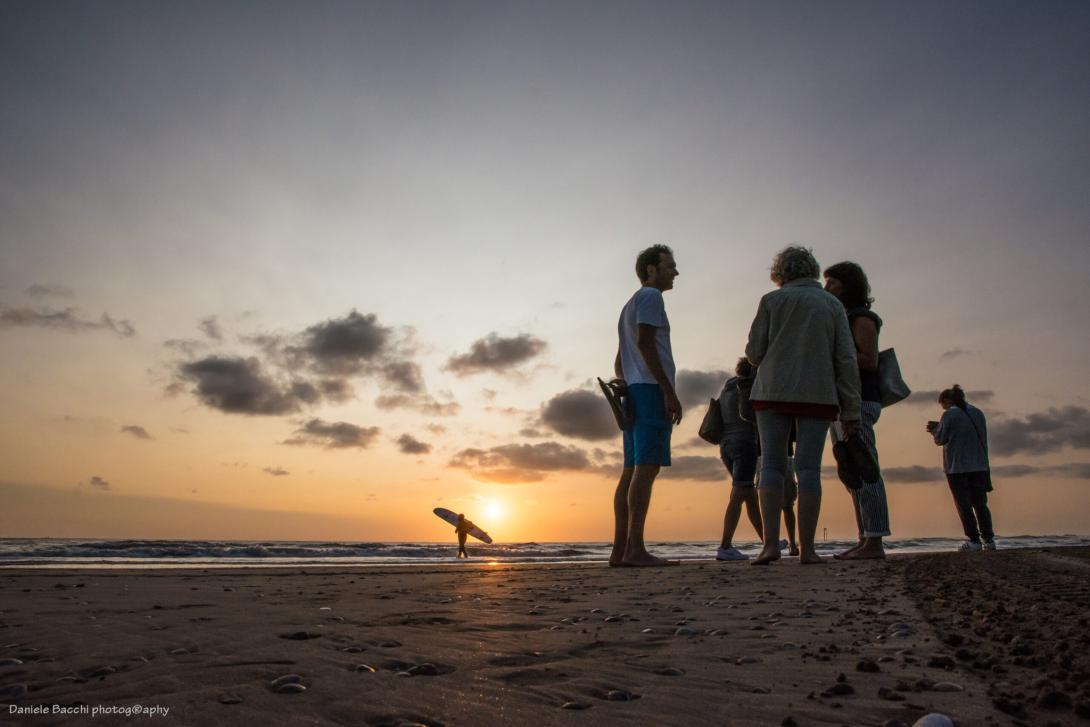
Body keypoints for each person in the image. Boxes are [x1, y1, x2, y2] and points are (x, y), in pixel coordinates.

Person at [746, 246, 862, 565]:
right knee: (809, 469)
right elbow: (846, 358)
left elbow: (755, 352)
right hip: (818, 393)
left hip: (772, 390)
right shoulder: (831, 304)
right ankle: (808, 549)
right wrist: (851, 409)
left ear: (780, 272)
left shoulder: (771, 301)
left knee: (771, 464)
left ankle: (770, 545)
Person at [610, 244, 682, 567]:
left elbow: (619, 359)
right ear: (651, 269)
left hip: (636, 390)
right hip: (651, 390)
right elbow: (644, 342)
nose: (675, 272)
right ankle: (635, 548)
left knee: (630, 471)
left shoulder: (629, 305)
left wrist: (625, 381)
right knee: (646, 469)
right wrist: (668, 391)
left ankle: (620, 550)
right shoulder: (651, 297)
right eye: (670, 266)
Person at [823, 261, 891, 560]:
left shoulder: (862, 317)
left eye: (833, 283)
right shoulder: (841, 318)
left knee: (866, 469)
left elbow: (870, 359)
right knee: (851, 472)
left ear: (847, 285)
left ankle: (875, 541)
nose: (827, 288)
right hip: (840, 401)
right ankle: (864, 537)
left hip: (860, 399)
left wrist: (835, 357)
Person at [927, 385, 995, 551]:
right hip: (979, 465)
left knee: (963, 505)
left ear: (947, 401)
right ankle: (989, 539)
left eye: (943, 404)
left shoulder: (949, 414)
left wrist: (934, 430)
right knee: (980, 504)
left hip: (957, 467)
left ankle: (974, 540)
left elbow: (940, 439)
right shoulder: (978, 412)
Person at [715, 358, 763, 561]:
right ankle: (725, 546)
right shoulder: (748, 387)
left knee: (749, 496)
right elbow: (751, 415)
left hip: (726, 446)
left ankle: (767, 540)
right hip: (744, 444)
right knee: (738, 493)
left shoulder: (728, 386)